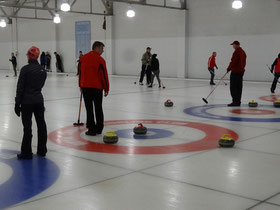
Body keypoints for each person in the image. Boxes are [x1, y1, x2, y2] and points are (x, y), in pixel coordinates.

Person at [15, 46, 47, 159]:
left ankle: (26, 152)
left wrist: (17, 103)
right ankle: (42, 150)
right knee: (41, 125)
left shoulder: (25, 69)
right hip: (38, 101)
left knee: (27, 127)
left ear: (29, 55)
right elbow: (41, 85)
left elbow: (20, 88)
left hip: (26, 102)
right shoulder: (42, 70)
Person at [79, 41, 109, 136]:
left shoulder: (83, 58)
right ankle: (99, 128)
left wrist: (80, 85)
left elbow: (80, 73)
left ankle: (91, 130)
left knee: (89, 109)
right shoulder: (100, 60)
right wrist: (106, 88)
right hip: (97, 88)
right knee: (98, 108)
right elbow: (104, 76)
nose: (102, 51)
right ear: (96, 48)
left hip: (86, 88)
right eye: (102, 48)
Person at [227, 41, 247, 107]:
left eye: (233, 45)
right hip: (241, 72)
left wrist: (229, 68)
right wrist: (242, 68)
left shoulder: (236, 52)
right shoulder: (243, 52)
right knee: (239, 87)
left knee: (233, 87)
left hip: (235, 72)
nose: (233, 46)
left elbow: (234, 61)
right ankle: (238, 101)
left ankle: (235, 101)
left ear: (236, 45)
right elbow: (244, 62)